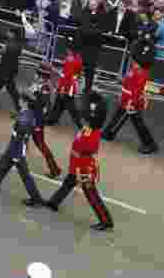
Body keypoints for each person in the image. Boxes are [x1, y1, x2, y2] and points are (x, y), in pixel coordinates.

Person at [45, 92, 113, 231]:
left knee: (91, 194)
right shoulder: (88, 129)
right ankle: (54, 202)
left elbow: (88, 150)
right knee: (68, 183)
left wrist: (79, 166)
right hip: (77, 162)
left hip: (83, 166)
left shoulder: (92, 133)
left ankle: (106, 221)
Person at [0, 95, 47, 207]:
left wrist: (16, 153)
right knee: (4, 162)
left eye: (21, 100)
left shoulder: (26, 116)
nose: (19, 101)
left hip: (17, 147)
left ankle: (36, 198)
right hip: (14, 146)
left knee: (25, 174)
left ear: (25, 102)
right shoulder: (27, 113)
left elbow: (21, 134)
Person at [104, 39, 159, 154]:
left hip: (132, 101)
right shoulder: (136, 68)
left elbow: (137, 91)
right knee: (118, 115)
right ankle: (108, 133)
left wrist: (131, 103)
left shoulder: (141, 72)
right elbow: (128, 82)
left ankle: (149, 144)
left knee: (138, 124)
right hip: (126, 98)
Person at [28, 63, 62, 179]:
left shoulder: (45, 87)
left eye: (37, 73)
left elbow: (41, 105)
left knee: (40, 144)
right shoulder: (39, 84)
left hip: (37, 120)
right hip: (32, 117)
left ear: (42, 75)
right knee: (22, 138)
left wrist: (30, 97)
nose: (35, 74)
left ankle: (54, 169)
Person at [45, 41, 83, 130]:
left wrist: (62, 88)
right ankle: (52, 120)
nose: (66, 51)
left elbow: (66, 75)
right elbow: (76, 74)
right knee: (59, 104)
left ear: (70, 50)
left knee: (71, 108)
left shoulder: (70, 60)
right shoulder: (78, 59)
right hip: (70, 85)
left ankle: (80, 125)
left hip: (67, 86)